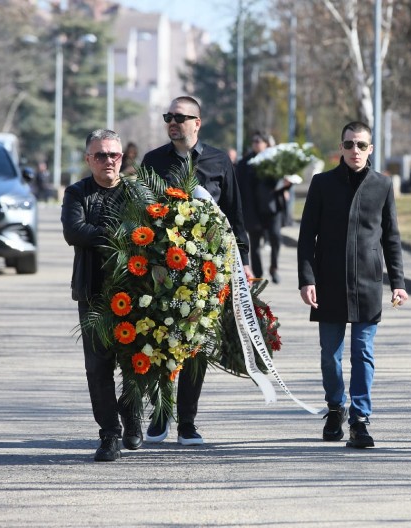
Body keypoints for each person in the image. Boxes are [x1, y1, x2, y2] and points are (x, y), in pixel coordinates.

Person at [140, 95, 252, 446]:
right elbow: (140, 211)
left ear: (196, 123)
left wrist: (244, 263)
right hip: (163, 269)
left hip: (207, 271)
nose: (173, 122)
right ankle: (160, 417)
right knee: (160, 341)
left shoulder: (219, 161)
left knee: (196, 344)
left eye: (180, 117)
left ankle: (187, 422)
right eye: (168, 117)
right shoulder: (153, 161)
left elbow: (235, 216)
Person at [297, 121, 408, 449]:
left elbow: (392, 238)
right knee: (329, 356)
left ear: (370, 149)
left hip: (367, 284)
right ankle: (335, 409)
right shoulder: (322, 184)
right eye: (349, 145)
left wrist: (397, 282)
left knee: (362, 351)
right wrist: (307, 279)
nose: (355, 151)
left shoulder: (382, 185)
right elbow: (306, 238)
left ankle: (360, 419)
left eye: (361, 145)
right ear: (341, 148)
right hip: (328, 283)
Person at [61, 129, 142, 462]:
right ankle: (109, 434)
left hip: (137, 293)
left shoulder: (137, 192)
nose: (108, 161)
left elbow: (152, 232)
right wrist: (119, 234)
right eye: (101, 155)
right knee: (98, 368)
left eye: (114, 155)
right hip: (93, 293)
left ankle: (133, 413)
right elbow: (74, 231)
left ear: (122, 157)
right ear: (88, 159)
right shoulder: (78, 192)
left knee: (137, 363)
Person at [236, 130, 288, 283]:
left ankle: (274, 267)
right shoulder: (244, 163)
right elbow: (239, 185)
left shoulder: (275, 160)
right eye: (254, 141)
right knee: (255, 243)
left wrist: (286, 186)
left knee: (276, 237)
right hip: (253, 209)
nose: (256, 143)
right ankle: (258, 275)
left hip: (273, 208)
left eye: (259, 141)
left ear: (266, 143)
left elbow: (283, 180)